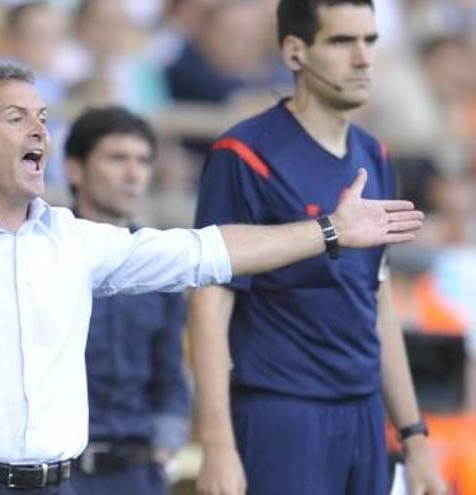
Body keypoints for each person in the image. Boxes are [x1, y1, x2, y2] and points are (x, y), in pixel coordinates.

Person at [0, 61, 422, 494]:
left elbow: (207, 251)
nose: (40, 128)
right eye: (16, 116)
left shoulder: (76, 242)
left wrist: (330, 231)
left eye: (44, 117)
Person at [190, 1, 447, 494]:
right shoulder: (244, 153)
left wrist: (414, 438)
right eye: (341, 41)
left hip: (364, 414)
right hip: (282, 414)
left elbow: (377, 298)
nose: (363, 57)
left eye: (370, 40)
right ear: (294, 52)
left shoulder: (375, 154)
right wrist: (217, 447)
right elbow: (207, 307)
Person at [65, 106, 187, 495]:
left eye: (143, 160)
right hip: (54, 474)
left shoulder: (160, 262)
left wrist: (164, 448)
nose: (134, 174)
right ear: (75, 169)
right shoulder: (40, 253)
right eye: (117, 158)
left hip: (137, 471)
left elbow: (169, 371)